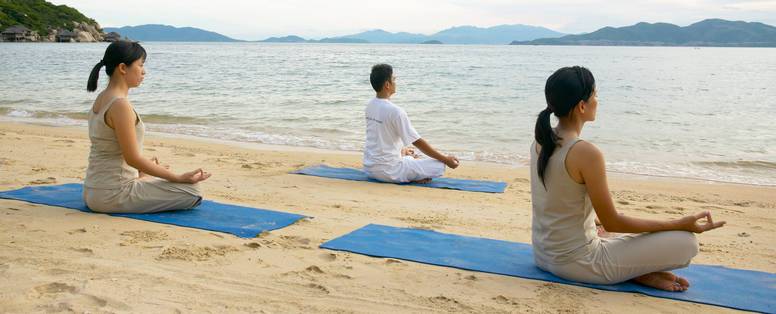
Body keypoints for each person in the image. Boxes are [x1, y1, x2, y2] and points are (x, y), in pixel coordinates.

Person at [530, 66, 725, 291]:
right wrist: (679, 223)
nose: (598, 100)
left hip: (543, 255)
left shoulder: (540, 142)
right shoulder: (586, 153)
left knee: (603, 230)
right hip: (579, 264)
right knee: (687, 243)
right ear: (582, 106)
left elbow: (559, 204)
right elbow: (614, 221)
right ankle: (634, 272)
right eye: (595, 95)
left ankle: (631, 269)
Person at [83, 41, 211, 213]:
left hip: (93, 190)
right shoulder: (120, 105)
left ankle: (141, 178)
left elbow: (116, 152)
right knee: (193, 192)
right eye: (140, 65)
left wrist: (143, 172)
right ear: (122, 68)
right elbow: (133, 159)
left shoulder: (102, 98)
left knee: (153, 172)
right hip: (113, 195)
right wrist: (178, 178)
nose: (144, 71)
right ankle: (142, 179)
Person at [363, 64, 459, 183]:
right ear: (387, 85)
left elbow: (379, 139)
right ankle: (414, 176)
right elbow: (417, 142)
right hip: (391, 172)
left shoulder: (370, 105)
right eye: (393, 79)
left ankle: (406, 159)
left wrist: (402, 151)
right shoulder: (396, 111)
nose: (395, 82)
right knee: (439, 165)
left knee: (410, 154)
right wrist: (446, 159)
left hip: (370, 168)